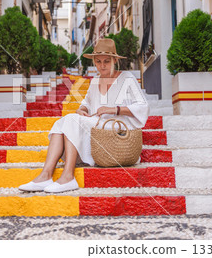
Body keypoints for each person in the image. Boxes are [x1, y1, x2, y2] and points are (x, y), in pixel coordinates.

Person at [19, 38, 150, 193]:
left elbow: (143, 106)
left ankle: (68, 176)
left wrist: (114, 109)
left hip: (118, 129)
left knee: (70, 120)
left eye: (107, 61)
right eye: (98, 61)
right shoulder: (95, 81)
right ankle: (45, 175)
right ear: (94, 62)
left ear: (115, 60)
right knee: (62, 122)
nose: (102, 66)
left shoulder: (127, 78)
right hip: (98, 128)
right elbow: (87, 102)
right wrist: (82, 109)